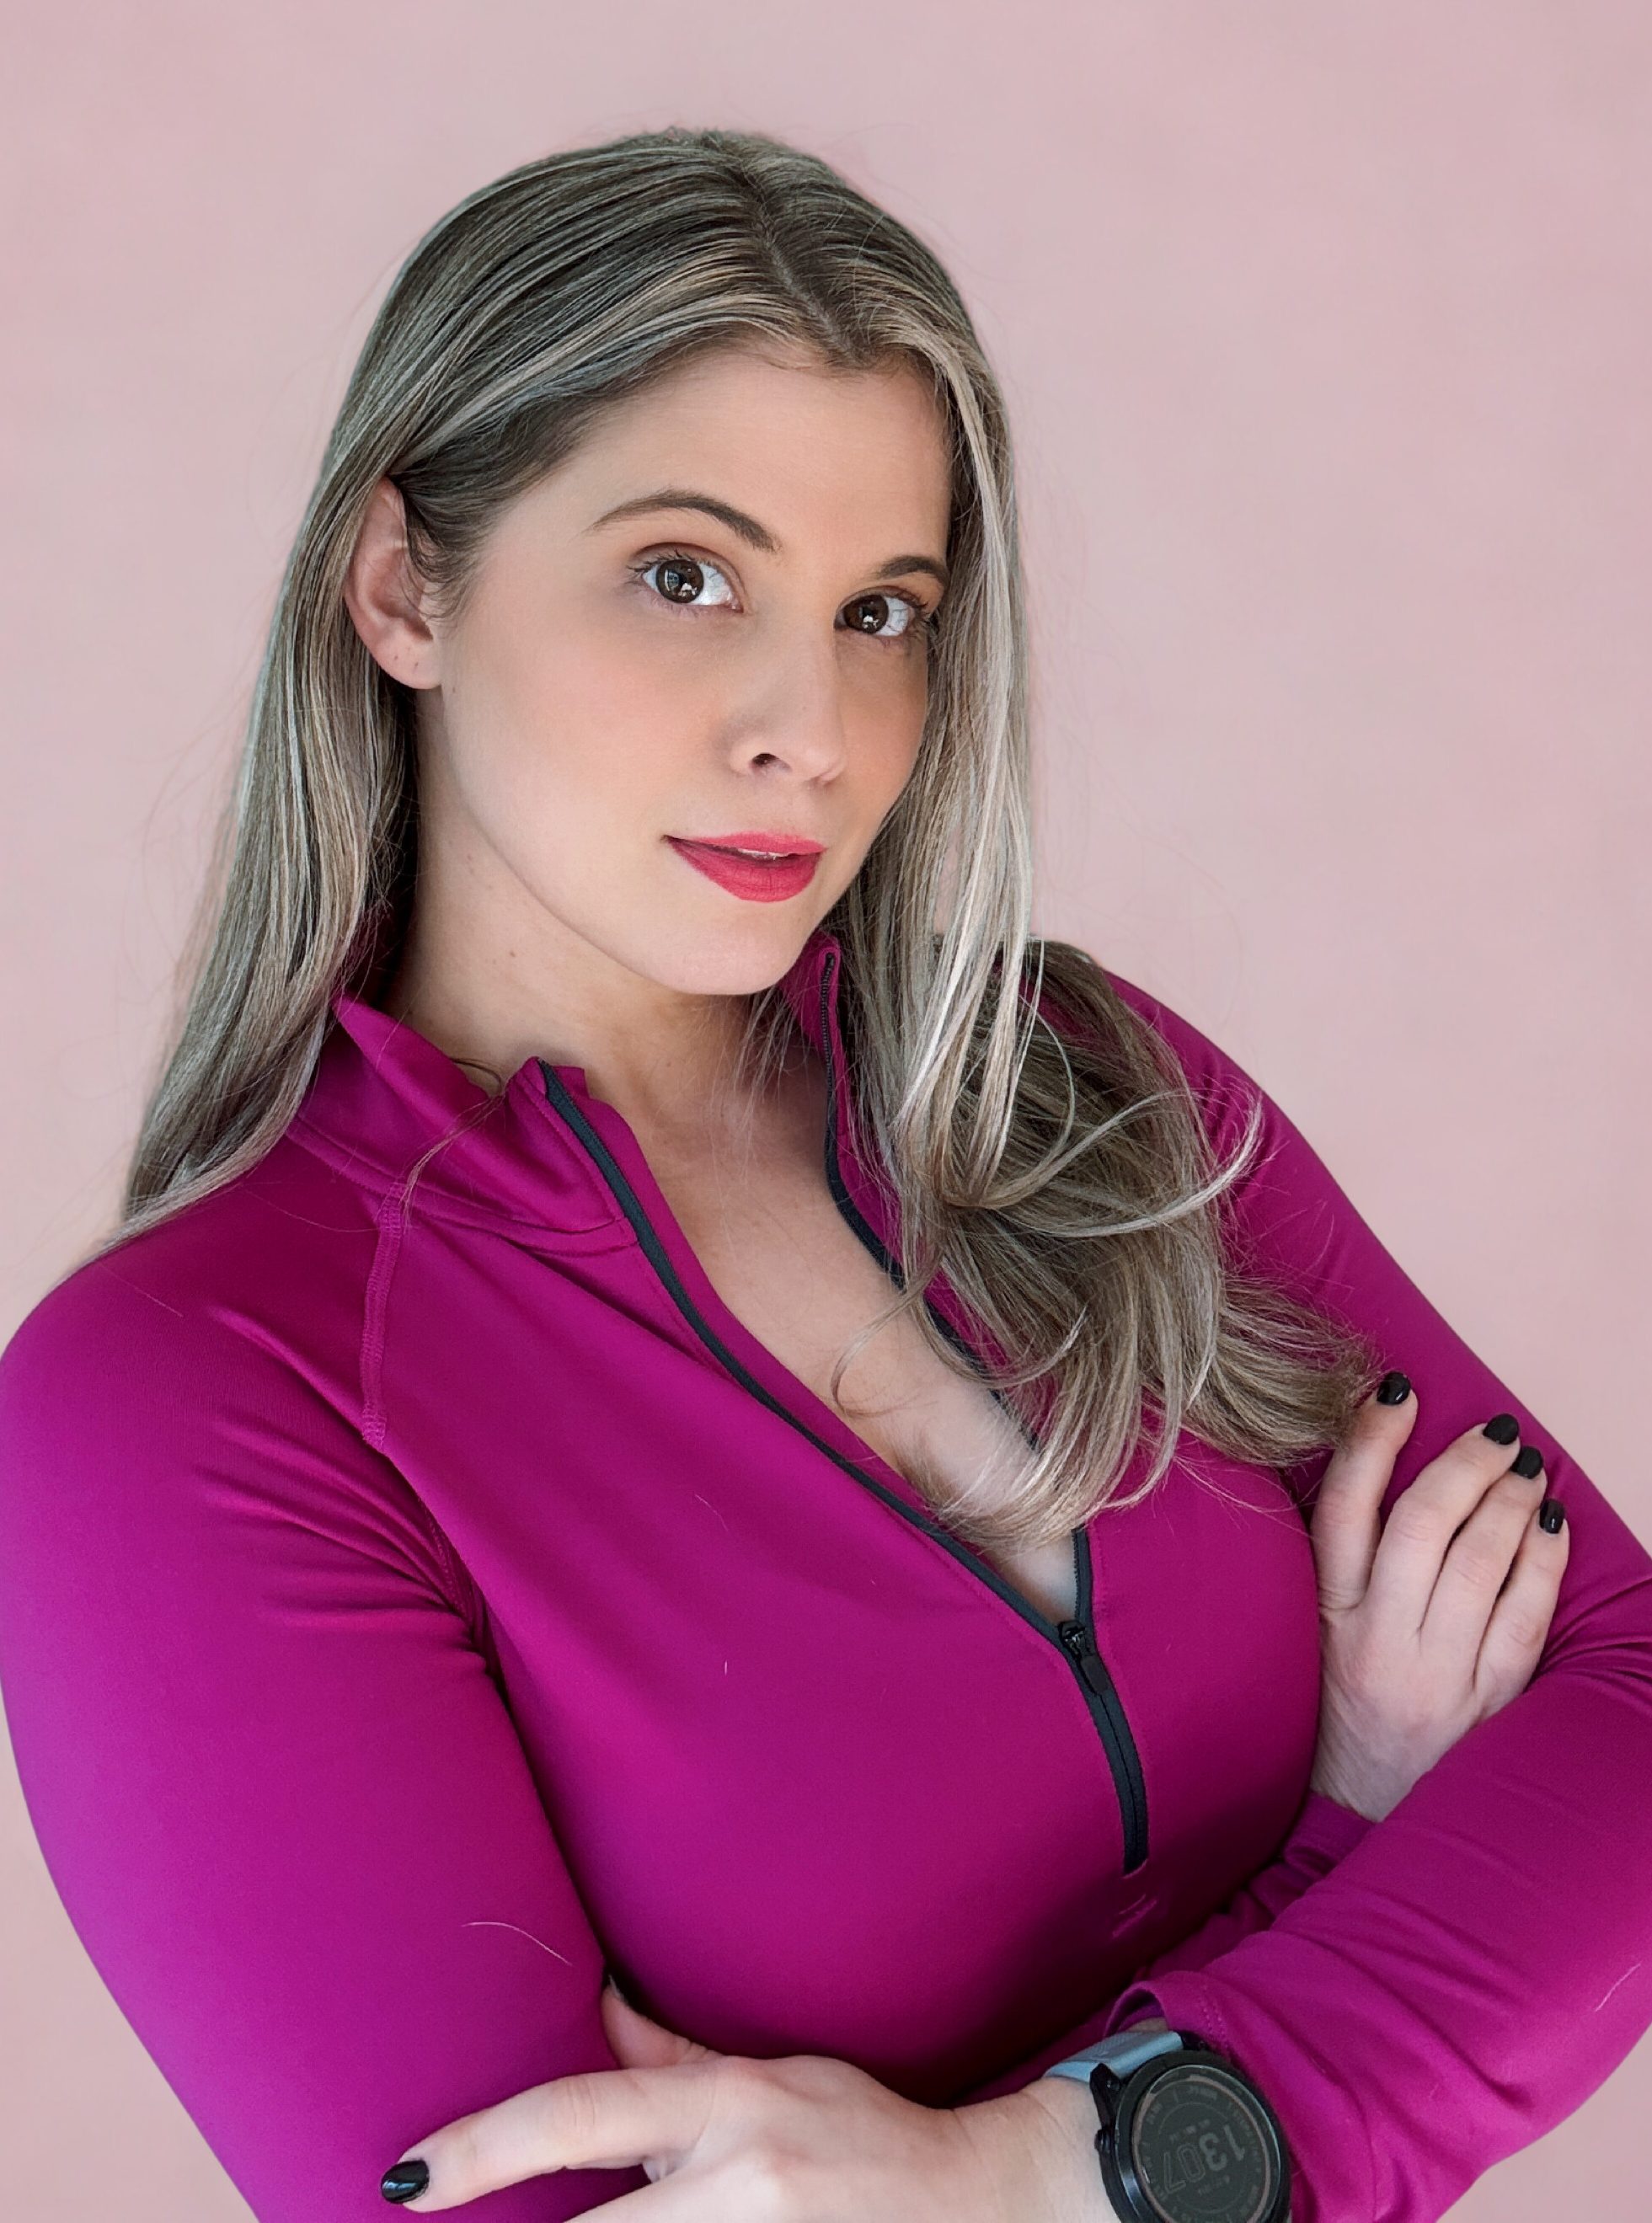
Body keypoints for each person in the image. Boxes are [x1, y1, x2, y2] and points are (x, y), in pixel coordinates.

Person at [0, 125, 1643, 2223]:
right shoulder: (191, 1397)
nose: (818, 728)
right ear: (406, 586)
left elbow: (1635, 1692)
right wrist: (1352, 1863)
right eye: (687, 578)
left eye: (886, 610)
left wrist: (1040, 2174)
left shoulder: (1083, 1085)